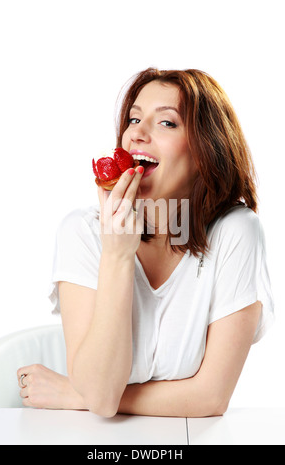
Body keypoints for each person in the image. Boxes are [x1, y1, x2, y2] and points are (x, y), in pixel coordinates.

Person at [17, 68, 274, 418]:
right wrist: (117, 255)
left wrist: (75, 394)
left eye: (166, 123)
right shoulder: (81, 232)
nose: (137, 133)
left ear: (205, 151)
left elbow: (211, 398)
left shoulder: (237, 233)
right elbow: (102, 397)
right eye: (134, 118)